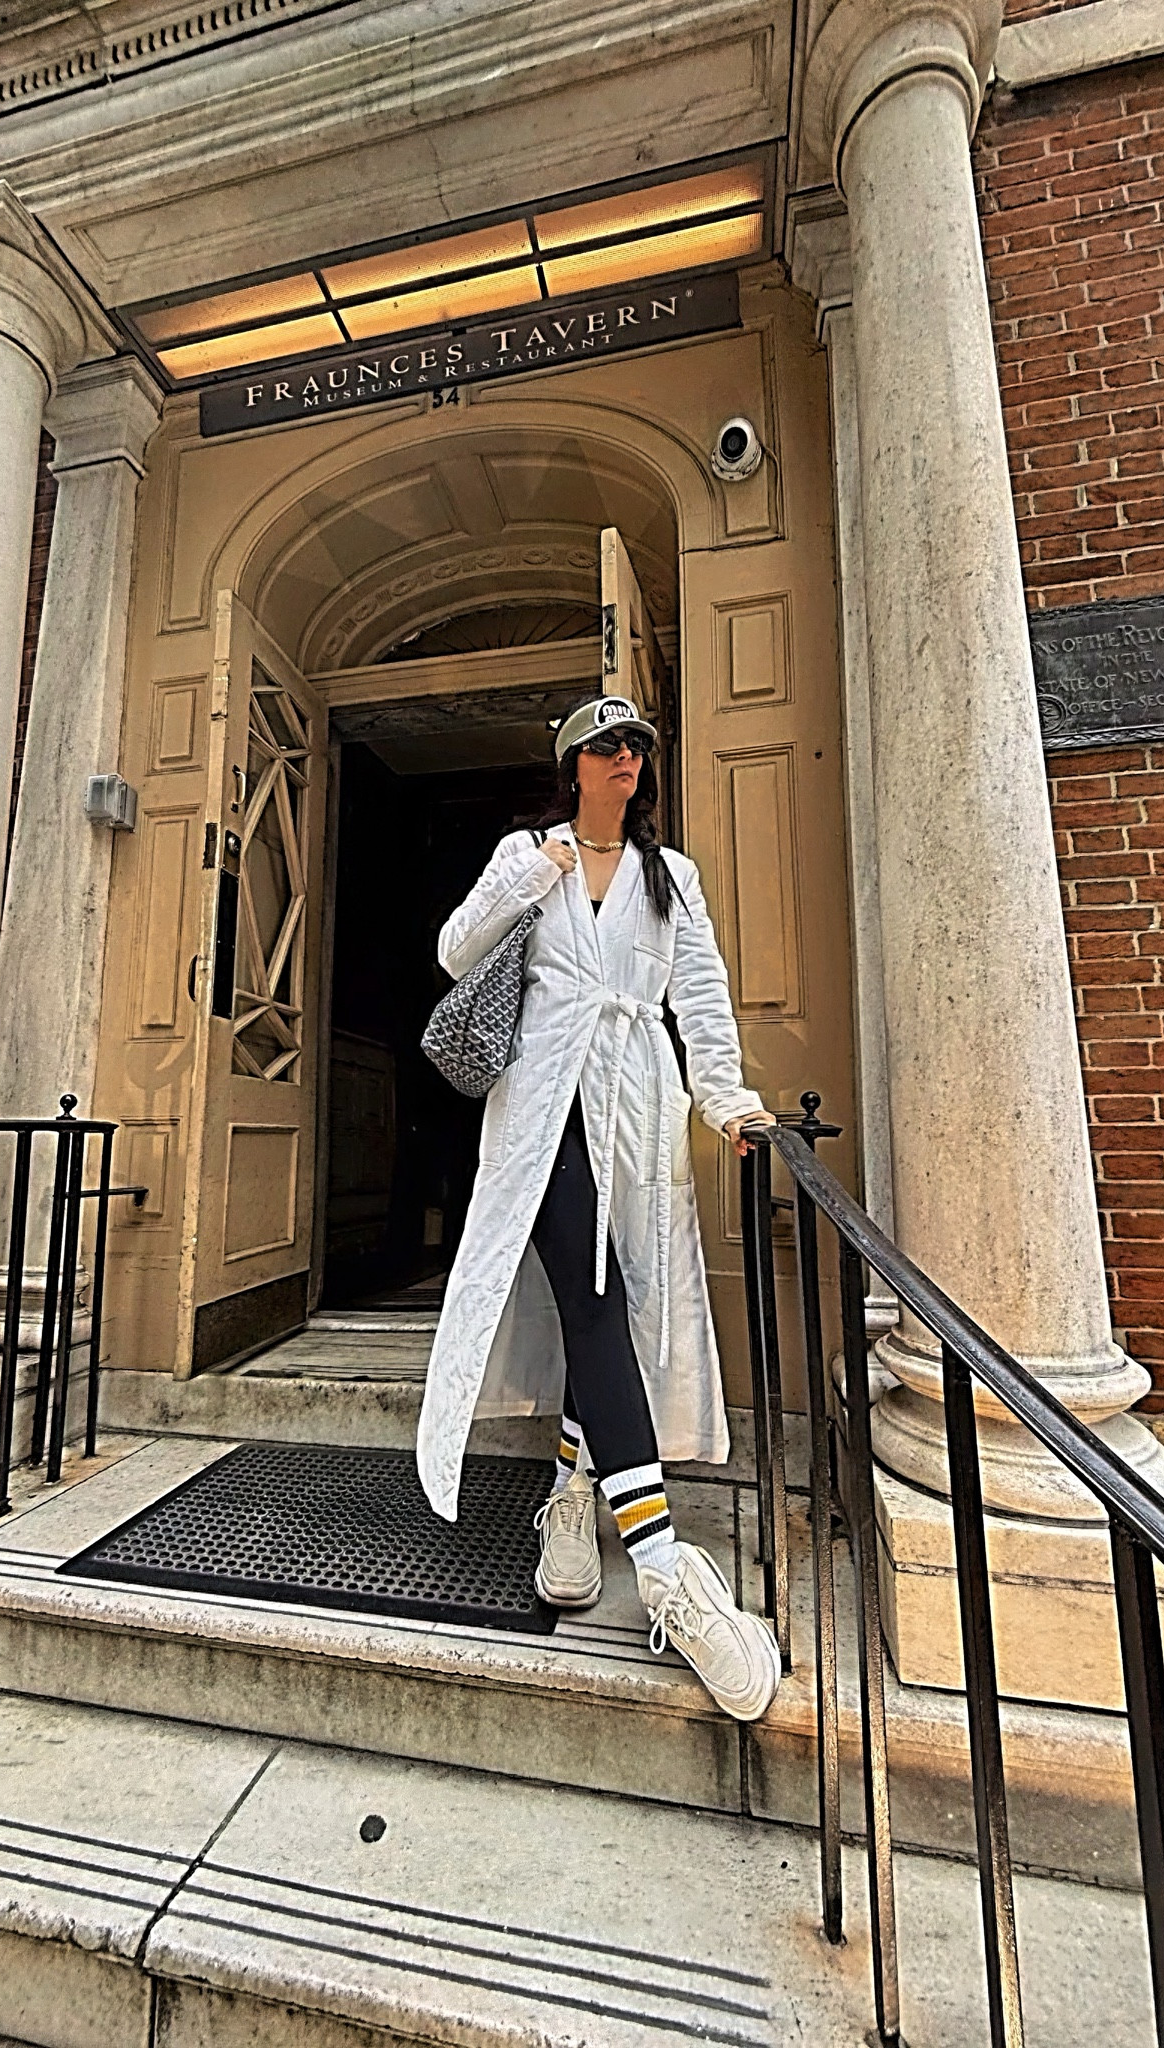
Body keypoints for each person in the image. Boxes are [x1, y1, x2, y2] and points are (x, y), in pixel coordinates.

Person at [416, 693, 783, 1723]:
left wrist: (727, 1099)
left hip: (639, 1100)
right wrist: (539, 869)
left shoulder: (674, 875)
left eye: (637, 746)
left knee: (618, 1302)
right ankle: (666, 1567)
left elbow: (700, 995)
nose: (626, 758)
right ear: (574, 763)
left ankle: (574, 1493)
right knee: (594, 1297)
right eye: (606, 746)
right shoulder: (528, 854)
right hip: (545, 1106)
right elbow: (455, 949)